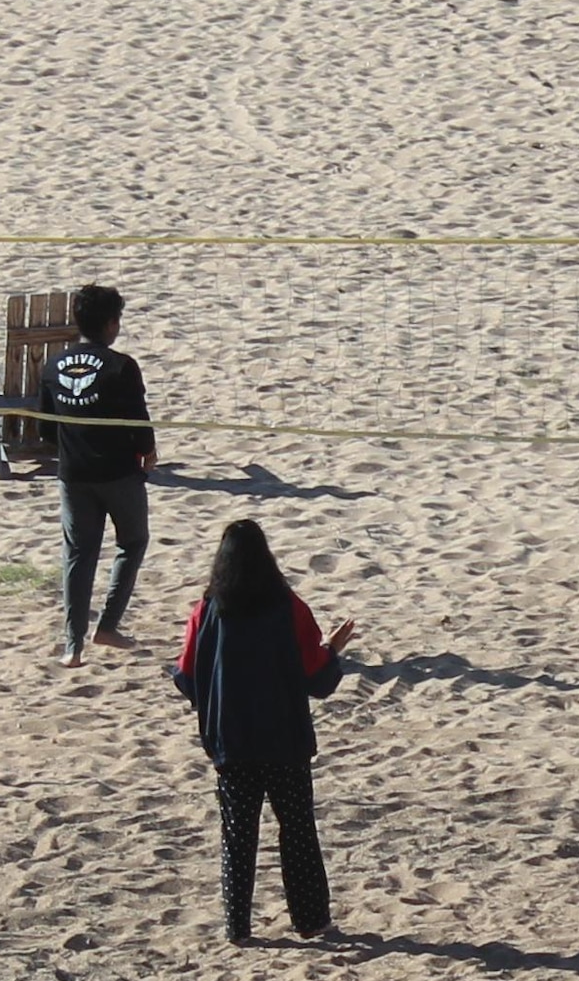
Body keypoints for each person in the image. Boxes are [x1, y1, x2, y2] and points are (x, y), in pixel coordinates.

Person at [170, 519, 360, 944]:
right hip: (284, 739)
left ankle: (238, 926)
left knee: (238, 835)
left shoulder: (206, 612)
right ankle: (310, 920)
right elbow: (318, 677)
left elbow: (185, 676)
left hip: (232, 741)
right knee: (297, 829)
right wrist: (332, 649)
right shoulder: (288, 606)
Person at [42, 283, 154, 660]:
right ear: (110, 324)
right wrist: (148, 452)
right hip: (118, 473)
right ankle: (107, 626)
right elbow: (138, 420)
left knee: (78, 554)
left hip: (73, 474)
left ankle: (73, 645)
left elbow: (44, 428)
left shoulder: (53, 365)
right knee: (133, 542)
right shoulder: (122, 366)